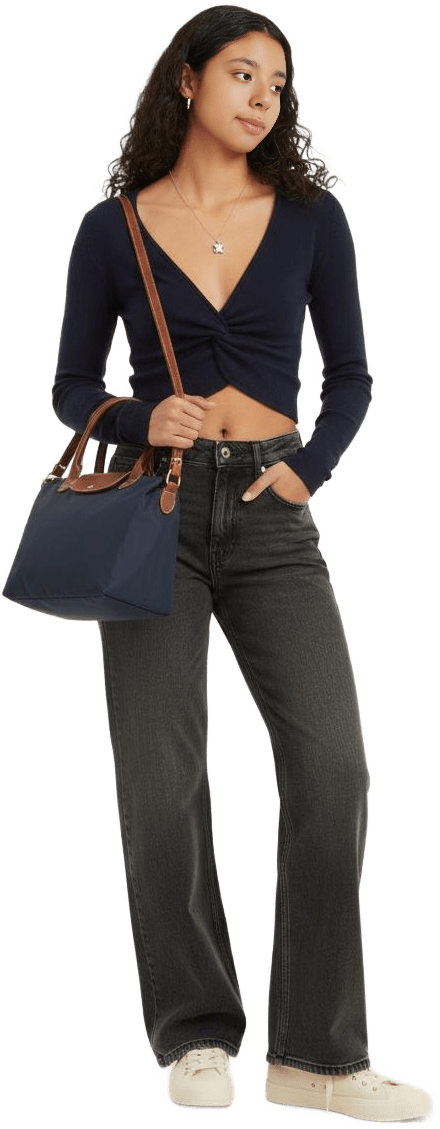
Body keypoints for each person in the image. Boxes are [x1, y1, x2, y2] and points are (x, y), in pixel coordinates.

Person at [50, 3, 436, 1120]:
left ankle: (319, 1057)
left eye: (277, 81)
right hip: (152, 513)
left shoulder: (312, 217)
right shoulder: (112, 228)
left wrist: (307, 471)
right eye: (241, 73)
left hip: (271, 511)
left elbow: (353, 375)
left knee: (334, 767)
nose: (264, 96)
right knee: (159, 779)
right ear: (185, 80)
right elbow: (70, 386)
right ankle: (194, 1033)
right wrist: (138, 417)